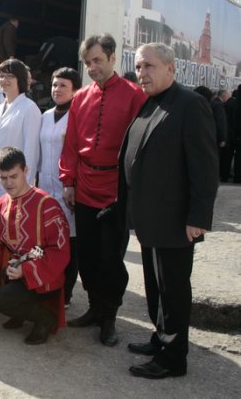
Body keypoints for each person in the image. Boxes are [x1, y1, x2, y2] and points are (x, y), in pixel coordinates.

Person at [121, 43, 218, 379]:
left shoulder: (190, 105)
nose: (141, 72)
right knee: (155, 287)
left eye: (148, 66)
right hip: (150, 219)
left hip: (175, 221)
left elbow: (205, 167)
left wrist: (198, 218)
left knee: (172, 290)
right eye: (138, 66)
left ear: (170, 68)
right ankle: (161, 338)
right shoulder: (149, 102)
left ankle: (173, 359)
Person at [59, 33, 147, 346]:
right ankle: (95, 309)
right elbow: (70, 143)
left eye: (97, 60)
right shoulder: (80, 97)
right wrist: (68, 180)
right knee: (87, 256)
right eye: (87, 62)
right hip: (84, 187)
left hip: (116, 190)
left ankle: (109, 316)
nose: (92, 67)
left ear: (112, 57)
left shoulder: (135, 95)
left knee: (111, 259)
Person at [0, 147, 70, 345]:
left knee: (1, 299)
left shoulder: (47, 204)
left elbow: (60, 252)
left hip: (42, 275)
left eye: (13, 176)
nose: (8, 183)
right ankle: (18, 309)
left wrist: (25, 270)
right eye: (3, 177)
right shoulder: (1, 204)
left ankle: (45, 319)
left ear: (26, 171)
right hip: (8, 272)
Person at [38, 67, 80, 305]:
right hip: (45, 185)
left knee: (70, 241)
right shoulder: (45, 116)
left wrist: (72, 183)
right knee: (48, 239)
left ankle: (67, 291)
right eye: (55, 85)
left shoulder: (77, 114)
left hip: (67, 189)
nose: (57, 89)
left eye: (63, 85)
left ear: (75, 89)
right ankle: (48, 283)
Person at [0, 58, 41, 228]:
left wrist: (25, 187)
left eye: (9, 76)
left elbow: (31, 151)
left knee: (11, 229)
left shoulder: (29, 108)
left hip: (15, 183)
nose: (4, 80)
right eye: (1, 76)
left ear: (20, 79)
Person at [219, 89, 237, 182]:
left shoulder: (227, 104)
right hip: (234, 134)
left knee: (226, 157)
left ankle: (224, 175)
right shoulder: (235, 104)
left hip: (228, 134)